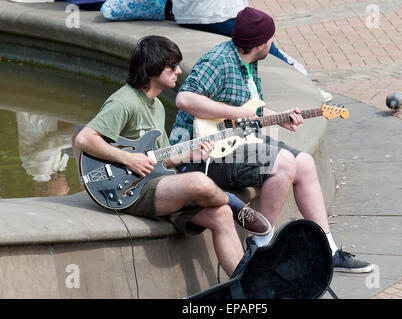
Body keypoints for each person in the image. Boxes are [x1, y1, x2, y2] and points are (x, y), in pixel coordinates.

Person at [169, 8, 374, 273]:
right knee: (284, 162)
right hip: (205, 154)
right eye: (270, 39)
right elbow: (184, 99)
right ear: (260, 44)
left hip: (238, 143)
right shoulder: (218, 61)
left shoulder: (249, 61)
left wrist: (277, 118)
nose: (272, 44)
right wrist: (242, 113)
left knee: (305, 164)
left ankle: (328, 249)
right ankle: (263, 246)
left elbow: (252, 109)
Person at [73, 35, 271, 277]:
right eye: (172, 65)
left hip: (157, 182)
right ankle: (233, 202)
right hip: (130, 191)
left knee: (219, 215)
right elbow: (84, 138)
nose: (178, 71)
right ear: (153, 67)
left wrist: (190, 153)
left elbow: (163, 158)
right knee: (199, 182)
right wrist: (128, 159)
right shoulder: (124, 101)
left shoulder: (155, 105)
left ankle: (249, 287)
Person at [171, 0, 332, 102]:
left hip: (187, 13)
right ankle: (306, 85)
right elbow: (184, 99)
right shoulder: (216, 61)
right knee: (261, 41)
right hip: (216, 14)